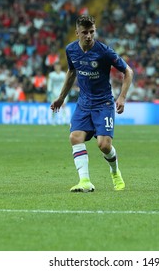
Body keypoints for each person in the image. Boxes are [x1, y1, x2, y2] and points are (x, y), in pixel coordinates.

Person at [50, 14, 134, 192]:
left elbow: (128, 71)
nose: (88, 36)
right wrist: (61, 97)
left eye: (91, 32)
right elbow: (72, 72)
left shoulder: (104, 51)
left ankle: (115, 172)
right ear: (77, 33)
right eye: (84, 32)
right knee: (75, 137)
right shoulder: (71, 50)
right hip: (83, 102)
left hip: (103, 103)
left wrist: (122, 97)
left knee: (104, 145)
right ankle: (85, 181)